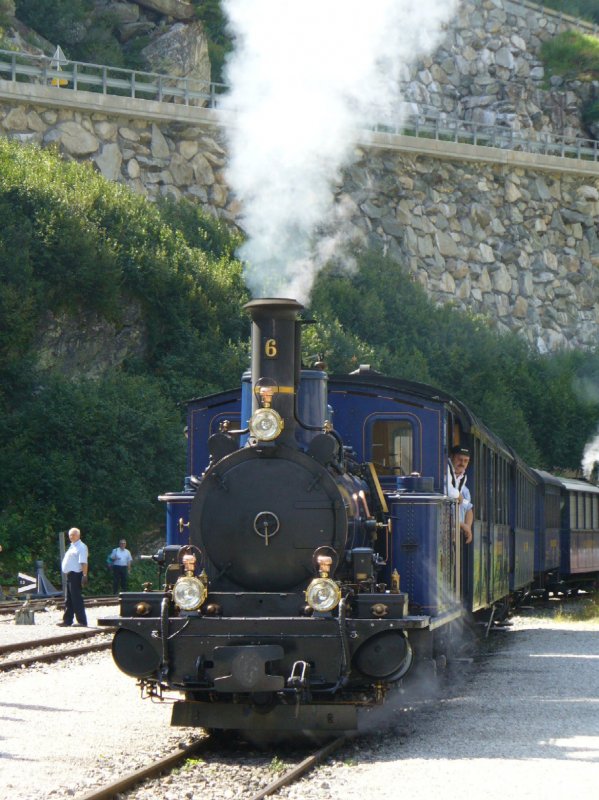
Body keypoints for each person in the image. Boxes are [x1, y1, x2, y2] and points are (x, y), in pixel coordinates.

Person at [59, 527, 88, 627]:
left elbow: (84, 562)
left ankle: (82, 621)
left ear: (78, 535)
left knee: (76, 598)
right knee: (69, 599)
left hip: (77, 574)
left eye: (73, 534)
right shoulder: (72, 546)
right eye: (70, 535)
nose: (71, 536)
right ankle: (67, 620)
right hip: (70, 575)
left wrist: (84, 575)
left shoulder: (81, 547)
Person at [448, 445, 473, 544]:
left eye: (466, 461)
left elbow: (469, 509)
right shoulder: (445, 477)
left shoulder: (465, 490)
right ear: (452, 457)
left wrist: (468, 527)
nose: (462, 463)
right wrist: (462, 525)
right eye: (459, 459)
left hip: (456, 538)